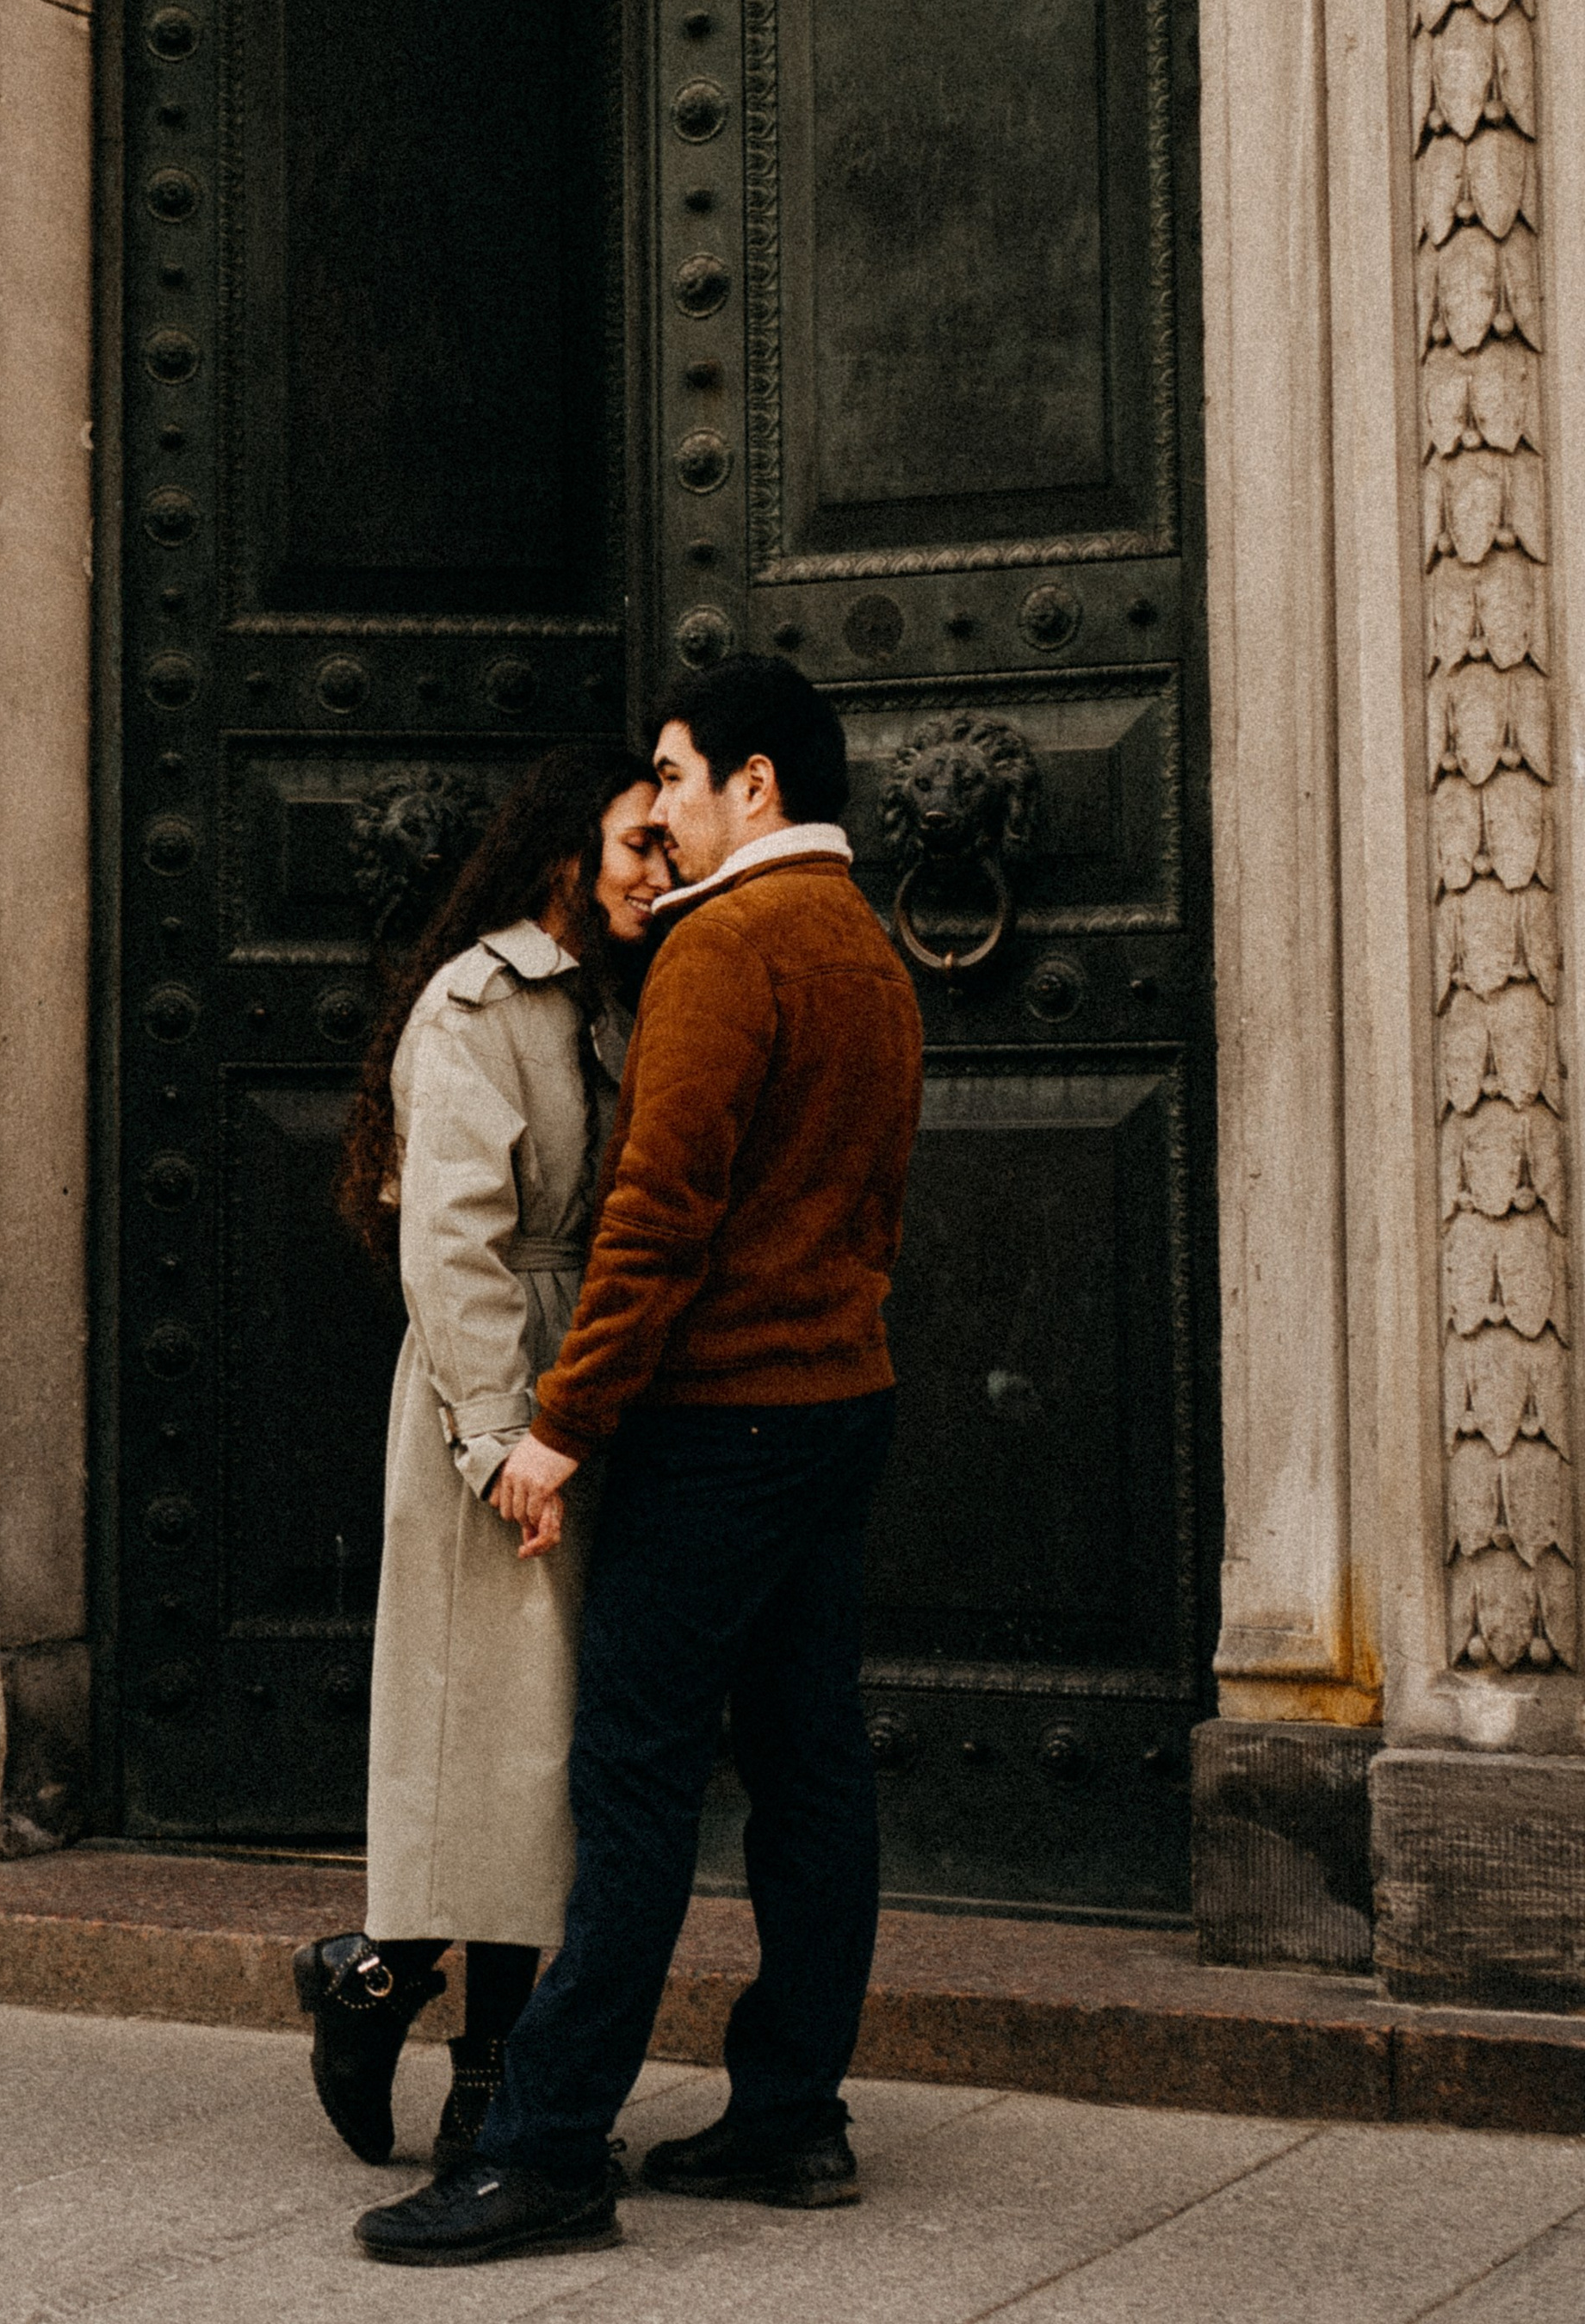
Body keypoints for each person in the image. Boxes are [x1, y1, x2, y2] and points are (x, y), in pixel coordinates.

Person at [354, 654, 923, 2268]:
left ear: (754, 785)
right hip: (839, 1402)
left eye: (675, 775)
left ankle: (540, 2151)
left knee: (630, 1783)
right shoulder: (868, 949)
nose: (659, 815)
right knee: (811, 1767)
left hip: (724, 1422)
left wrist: (559, 1426)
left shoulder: (728, 945)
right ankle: (791, 2114)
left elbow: (659, 1223)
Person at [295, 747, 671, 2175]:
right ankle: (406, 2007)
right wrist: (501, 1435)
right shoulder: (475, 1004)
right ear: (568, 853)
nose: (659, 870)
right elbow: (448, 1241)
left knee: (551, 1752)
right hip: (496, 1391)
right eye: (637, 846)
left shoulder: (619, 1001)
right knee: (492, 1741)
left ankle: (448, 2040)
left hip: (586, 1385)